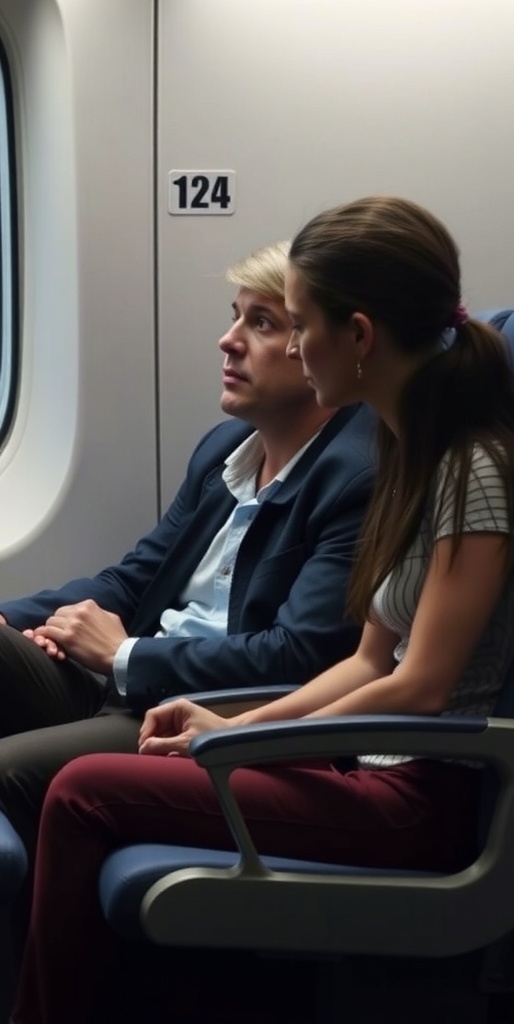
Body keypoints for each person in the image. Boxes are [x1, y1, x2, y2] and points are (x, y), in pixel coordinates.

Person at [10, 197, 514, 1024]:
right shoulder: (414, 458)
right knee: (103, 778)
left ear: (361, 337)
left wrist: (245, 734)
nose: (297, 350)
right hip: (361, 762)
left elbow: (419, 685)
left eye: (296, 325)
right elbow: (366, 661)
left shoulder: (474, 471)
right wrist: (229, 727)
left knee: (85, 789)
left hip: (416, 796)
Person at [0, 239, 376, 866]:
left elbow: (299, 655)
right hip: (126, 682)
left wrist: (125, 653)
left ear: (320, 345)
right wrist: (16, 621)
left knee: (7, 771)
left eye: (261, 323)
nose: (228, 341)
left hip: (199, 711)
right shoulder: (225, 450)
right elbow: (133, 579)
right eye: (235, 316)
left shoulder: (355, 476)